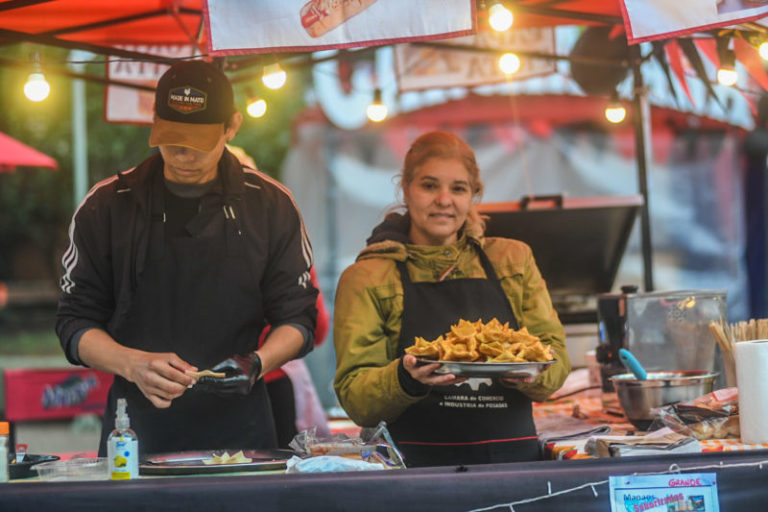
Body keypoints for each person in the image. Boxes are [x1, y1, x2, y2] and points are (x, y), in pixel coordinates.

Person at [56, 60, 318, 456]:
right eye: (172, 136)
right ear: (155, 121)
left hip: (242, 434)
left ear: (232, 126)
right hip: (135, 434)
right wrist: (132, 364)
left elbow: (299, 319)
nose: (182, 153)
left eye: (199, 140)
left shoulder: (270, 204)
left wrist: (257, 362)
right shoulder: (108, 205)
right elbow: (74, 322)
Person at [333, 130, 570, 468]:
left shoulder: (513, 260)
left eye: (458, 188)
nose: (444, 200)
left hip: (513, 464)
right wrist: (404, 377)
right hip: (414, 470)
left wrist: (532, 373)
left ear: (474, 194)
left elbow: (555, 355)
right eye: (429, 186)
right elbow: (356, 398)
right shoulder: (368, 277)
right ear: (406, 189)